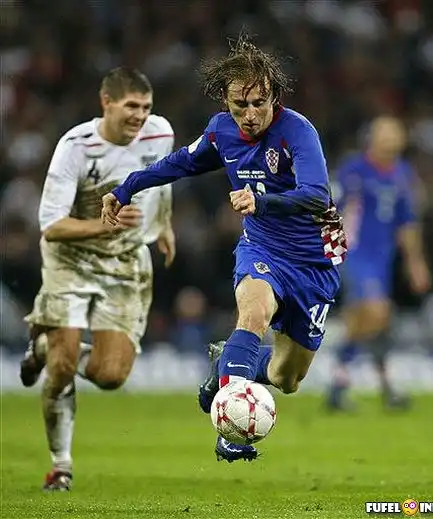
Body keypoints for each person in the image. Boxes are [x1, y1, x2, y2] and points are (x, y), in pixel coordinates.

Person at [102, 34, 347, 463]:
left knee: (286, 378)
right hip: (263, 247)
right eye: (240, 106)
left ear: (274, 96)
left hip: (314, 259)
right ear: (225, 102)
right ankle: (230, 431)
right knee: (253, 315)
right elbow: (180, 162)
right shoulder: (221, 132)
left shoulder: (297, 131)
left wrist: (262, 200)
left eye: (259, 103)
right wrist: (127, 188)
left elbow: (316, 195)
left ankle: (227, 362)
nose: (250, 115)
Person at [20, 67, 176, 490]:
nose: (140, 115)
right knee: (64, 363)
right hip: (71, 258)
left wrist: (163, 224)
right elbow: (51, 225)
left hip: (125, 260)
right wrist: (104, 226)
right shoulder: (76, 146)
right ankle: (61, 465)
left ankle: (41, 345)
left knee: (111, 375)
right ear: (106, 102)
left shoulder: (160, 133)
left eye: (145, 107)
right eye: (131, 106)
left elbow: (162, 179)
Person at [326, 116, 430, 411]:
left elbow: (407, 223)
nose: (390, 140)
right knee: (376, 311)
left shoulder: (403, 174)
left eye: (395, 134)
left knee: (371, 320)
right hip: (356, 254)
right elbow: (331, 209)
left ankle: (343, 384)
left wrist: (415, 263)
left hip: (383, 258)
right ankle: (376, 384)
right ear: (371, 138)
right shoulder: (354, 170)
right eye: (385, 134)